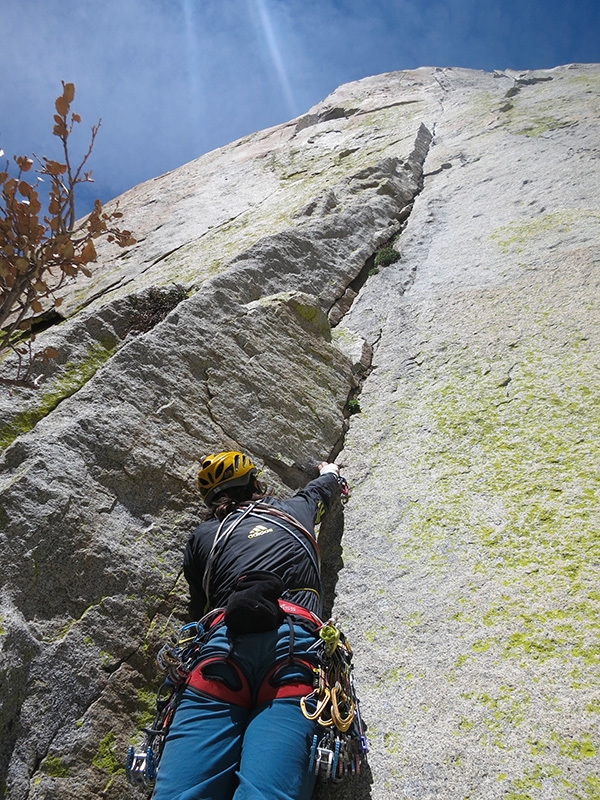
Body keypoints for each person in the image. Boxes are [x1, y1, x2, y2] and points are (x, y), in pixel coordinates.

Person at [152, 450, 342, 800]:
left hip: (221, 650)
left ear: (212, 502)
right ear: (256, 483)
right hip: (293, 649)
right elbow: (323, 490)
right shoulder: (293, 510)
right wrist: (330, 472)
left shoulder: (203, 537)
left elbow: (199, 611)